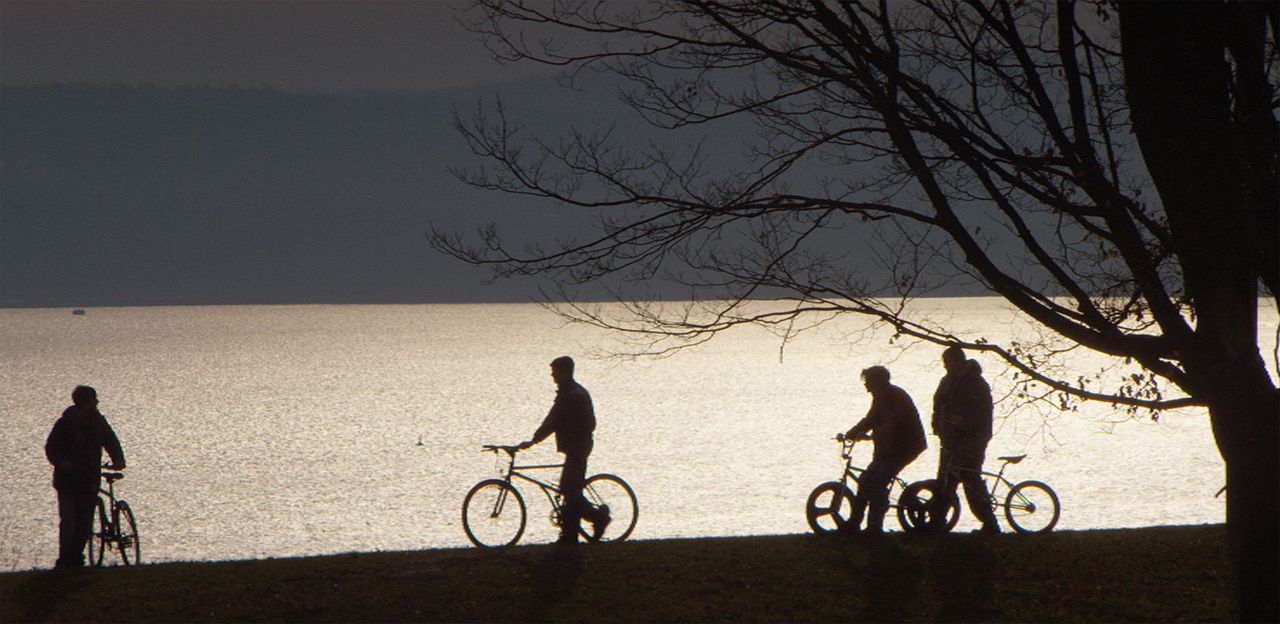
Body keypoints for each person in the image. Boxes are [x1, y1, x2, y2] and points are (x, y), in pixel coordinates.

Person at [516, 356, 610, 544]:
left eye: (555, 371)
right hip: (575, 446)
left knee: (570, 490)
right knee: (569, 489)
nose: (552, 375)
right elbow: (552, 418)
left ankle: (596, 519)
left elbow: (554, 422)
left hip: (578, 447)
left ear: (565, 372)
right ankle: (570, 534)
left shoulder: (573, 395)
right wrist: (534, 439)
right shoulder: (568, 393)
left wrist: (534, 441)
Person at [44, 385, 126, 568]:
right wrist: (61, 461)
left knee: (84, 523)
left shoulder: (98, 422)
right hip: (67, 481)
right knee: (69, 522)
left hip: (89, 478)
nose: (96, 402)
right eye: (93, 399)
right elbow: (51, 448)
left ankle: (76, 557)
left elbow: (111, 441)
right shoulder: (64, 424)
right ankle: (66, 559)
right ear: (83, 402)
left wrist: (118, 459)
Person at [840, 365, 927, 534]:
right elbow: (871, 419)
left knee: (878, 482)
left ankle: (874, 526)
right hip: (887, 448)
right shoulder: (879, 398)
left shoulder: (896, 397)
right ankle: (854, 522)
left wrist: (875, 434)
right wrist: (852, 433)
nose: (866, 387)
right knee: (865, 480)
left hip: (904, 448)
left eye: (868, 383)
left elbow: (895, 423)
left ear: (877, 382)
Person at [929, 346, 1000, 533]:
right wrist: (937, 425)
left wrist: (963, 422)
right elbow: (938, 405)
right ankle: (937, 521)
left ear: (958, 360)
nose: (946, 367)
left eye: (949, 362)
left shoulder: (976, 383)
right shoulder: (947, 381)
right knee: (945, 479)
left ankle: (989, 523)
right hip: (950, 438)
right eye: (944, 363)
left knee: (969, 478)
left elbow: (981, 412)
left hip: (973, 438)